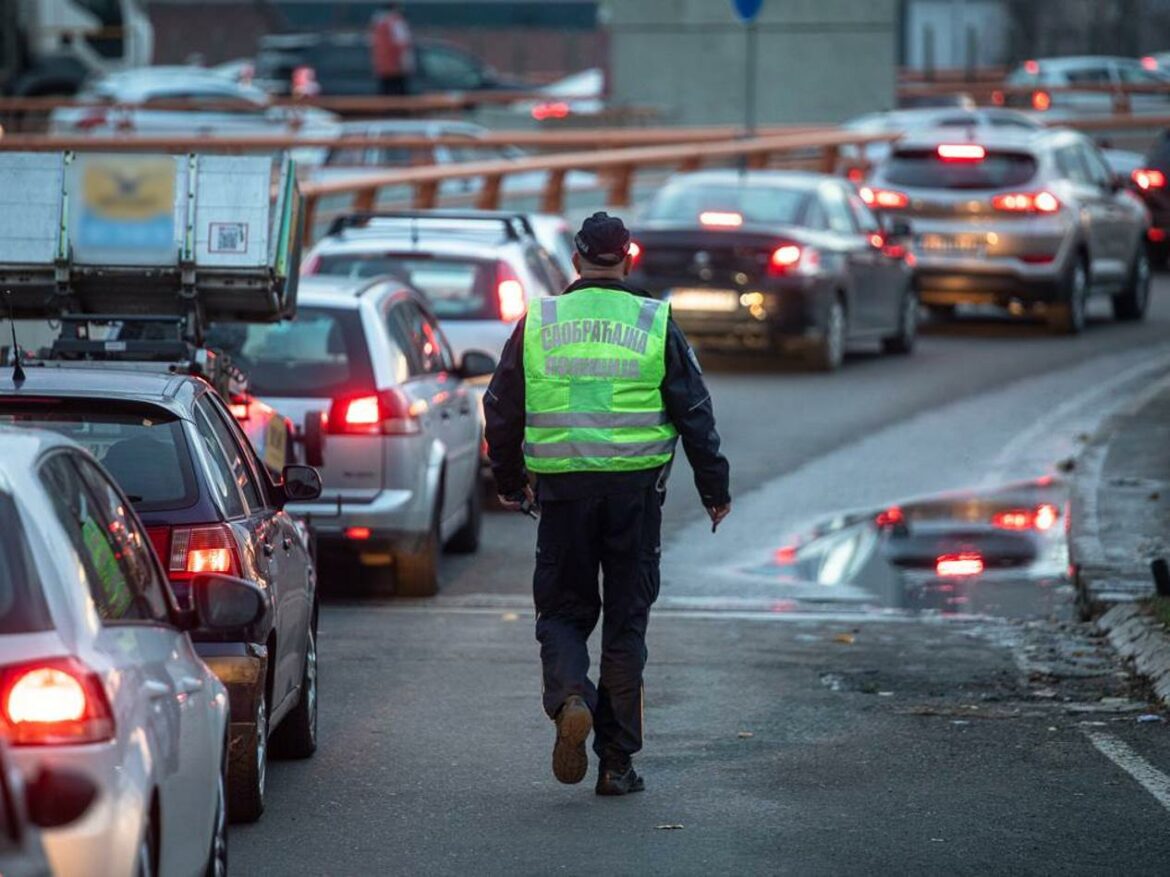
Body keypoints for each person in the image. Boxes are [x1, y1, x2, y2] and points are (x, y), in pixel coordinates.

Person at [485, 212, 731, 796]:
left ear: (576, 260)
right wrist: (714, 488)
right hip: (635, 497)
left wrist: (508, 477)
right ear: (628, 257)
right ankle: (616, 765)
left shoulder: (539, 321)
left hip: (563, 496)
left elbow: (501, 406)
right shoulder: (653, 320)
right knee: (626, 626)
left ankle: (572, 694)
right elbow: (693, 410)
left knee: (563, 613)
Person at [369, 3, 415, 96]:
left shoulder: (378, 24)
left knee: (386, 97)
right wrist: (407, 65)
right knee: (398, 99)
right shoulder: (395, 22)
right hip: (396, 69)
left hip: (383, 69)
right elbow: (402, 45)